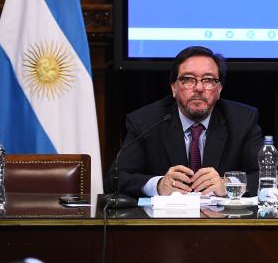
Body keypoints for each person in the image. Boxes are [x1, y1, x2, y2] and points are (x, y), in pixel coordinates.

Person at [104, 46, 263, 198]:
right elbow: (115, 179)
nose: (199, 88)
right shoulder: (146, 121)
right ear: (173, 87)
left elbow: (265, 176)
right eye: (188, 79)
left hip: (224, 223)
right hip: (166, 223)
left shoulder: (242, 120)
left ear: (219, 89)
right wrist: (158, 185)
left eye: (208, 80)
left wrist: (228, 184)